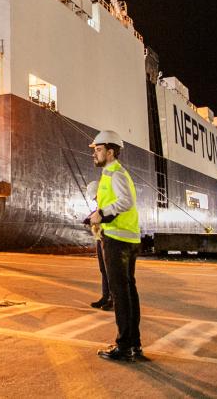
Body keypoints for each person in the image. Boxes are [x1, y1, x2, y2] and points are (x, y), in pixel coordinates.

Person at [88, 130, 144, 362]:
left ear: (110, 152)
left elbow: (125, 201)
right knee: (128, 292)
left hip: (118, 242)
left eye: (98, 150)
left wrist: (101, 213)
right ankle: (134, 344)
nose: (95, 154)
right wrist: (99, 219)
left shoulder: (114, 174)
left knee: (120, 294)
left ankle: (124, 347)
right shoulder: (113, 174)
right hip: (125, 238)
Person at [83, 181, 113, 311]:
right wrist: (90, 218)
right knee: (103, 269)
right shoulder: (101, 203)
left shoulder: (108, 202)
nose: (95, 199)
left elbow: (106, 215)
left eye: (95, 197)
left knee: (109, 270)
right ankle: (105, 296)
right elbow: (97, 212)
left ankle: (113, 299)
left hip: (109, 238)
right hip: (101, 238)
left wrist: (93, 219)